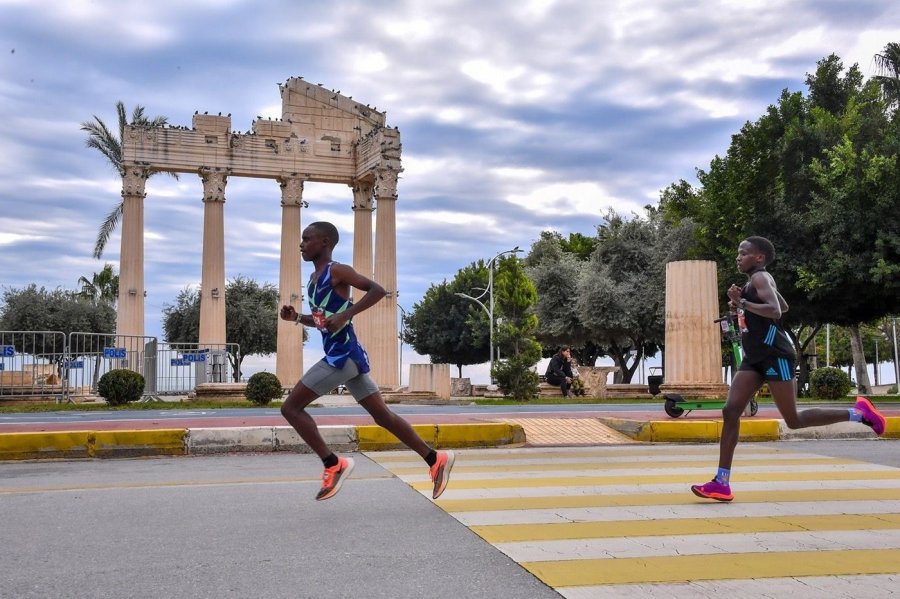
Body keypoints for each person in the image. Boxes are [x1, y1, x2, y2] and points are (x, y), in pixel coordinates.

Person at [691, 236, 886, 502]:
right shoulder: (755, 282)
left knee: (793, 419)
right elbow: (783, 305)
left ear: (758, 257)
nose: (738, 257)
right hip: (755, 357)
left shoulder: (761, 277)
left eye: (743, 252)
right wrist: (741, 303)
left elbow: (775, 312)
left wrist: (743, 303)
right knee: (731, 410)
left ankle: (859, 413)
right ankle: (721, 482)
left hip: (775, 355)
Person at [279, 221, 454, 501]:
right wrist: (297, 318)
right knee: (383, 416)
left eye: (307, 238)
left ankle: (332, 463)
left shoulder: (337, 271)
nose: (301, 244)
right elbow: (325, 321)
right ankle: (435, 458)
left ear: (324, 242)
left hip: (342, 357)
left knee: (291, 408)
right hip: (348, 356)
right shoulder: (313, 282)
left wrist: (348, 314)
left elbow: (377, 290)